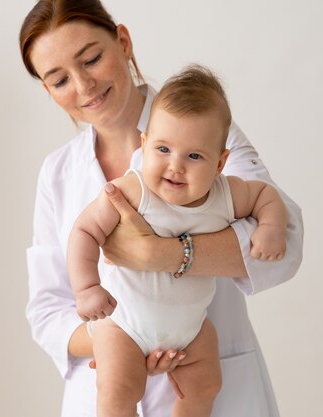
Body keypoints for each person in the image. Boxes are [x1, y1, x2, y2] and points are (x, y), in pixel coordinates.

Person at [20, 1, 304, 416]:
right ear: (48, 90)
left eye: (92, 59)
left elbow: (287, 242)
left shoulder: (200, 123)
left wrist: (166, 254)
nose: (83, 87)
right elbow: (47, 311)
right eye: (59, 79)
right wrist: (119, 340)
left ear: (123, 42)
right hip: (106, 375)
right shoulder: (57, 173)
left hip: (210, 374)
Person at [66, 64, 289, 417]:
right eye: (163, 149)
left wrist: (271, 228)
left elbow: (267, 196)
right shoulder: (132, 190)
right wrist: (87, 289)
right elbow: (84, 231)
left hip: (190, 328)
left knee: (205, 385)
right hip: (126, 323)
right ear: (144, 145)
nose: (175, 166)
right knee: (118, 390)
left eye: (195, 156)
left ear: (220, 163)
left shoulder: (225, 195)